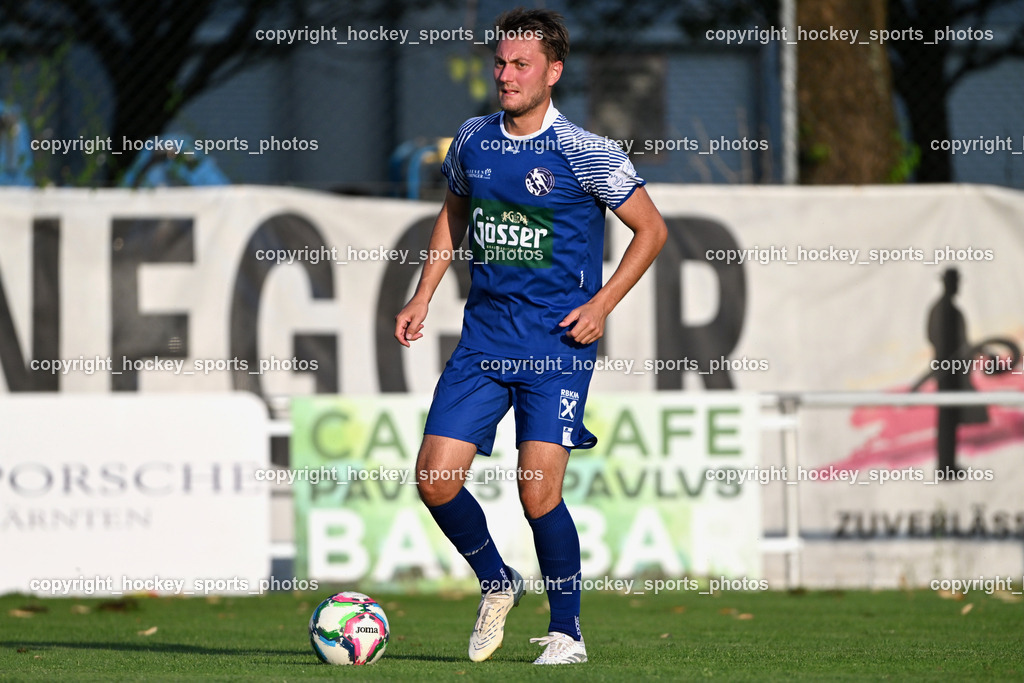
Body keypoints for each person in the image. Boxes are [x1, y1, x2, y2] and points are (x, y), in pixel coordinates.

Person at [394, 7, 667, 665]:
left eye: (521, 64)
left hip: (557, 348)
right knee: (434, 477)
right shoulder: (473, 138)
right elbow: (453, 212)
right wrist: (424, 292)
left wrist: (602, 303)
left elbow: (652, 230)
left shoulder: (586, 152)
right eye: (500, 62)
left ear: (554, 72)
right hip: (485, 340)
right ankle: (497, 580)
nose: (506, 74)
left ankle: (567, 633)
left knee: (537, 488)